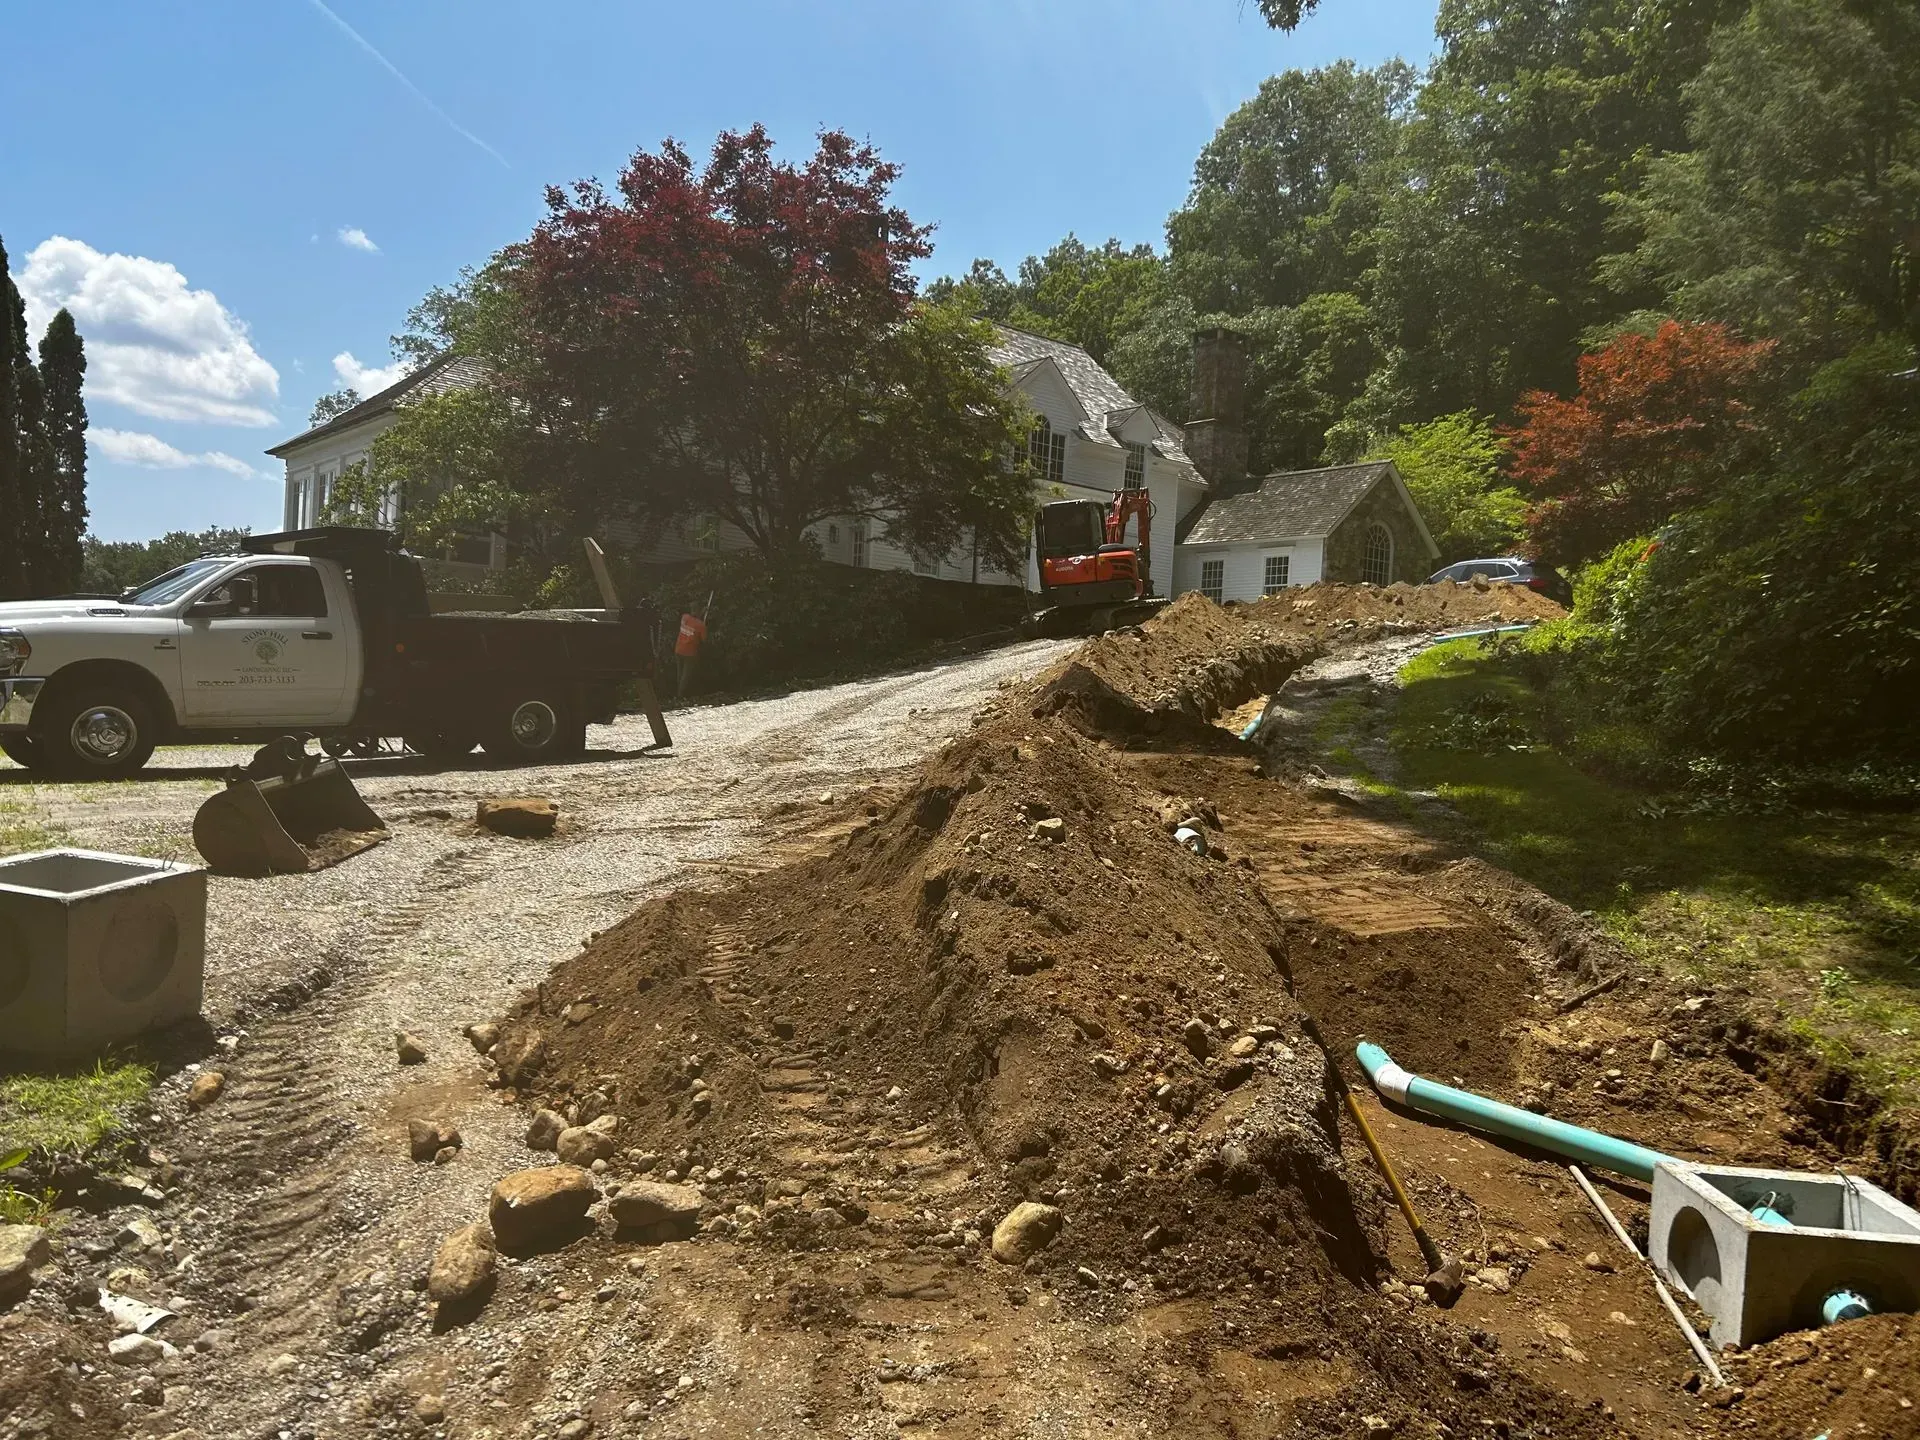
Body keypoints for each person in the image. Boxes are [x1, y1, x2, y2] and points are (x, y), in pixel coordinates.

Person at [674, 609, 707, 698]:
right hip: (689, 653)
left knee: (679, 674)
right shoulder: (701, 625)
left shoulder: (684, 617)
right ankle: (680, 695)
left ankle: (678, 692)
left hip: (678, 649)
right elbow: (704, 640)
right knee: (685, 676)